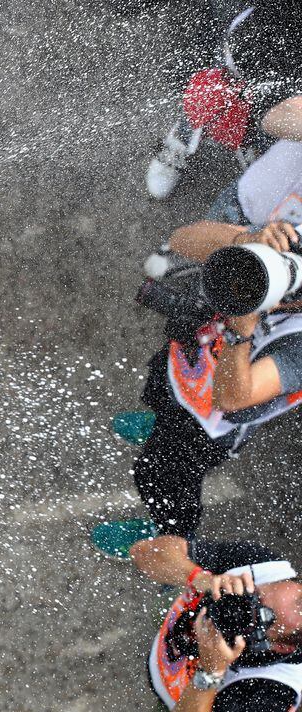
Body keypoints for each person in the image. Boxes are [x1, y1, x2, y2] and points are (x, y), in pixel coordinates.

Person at [95, 138, 302, 557]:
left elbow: (234, 398)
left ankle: (169, 541)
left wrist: (241, 331)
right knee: (159, 383)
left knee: (161, 476)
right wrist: (247, 238)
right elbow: (182, 239)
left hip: (205, 428)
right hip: (184, 359)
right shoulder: (276, 240)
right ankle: (157, 417)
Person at [131, 535, 302, 712]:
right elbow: (141, 552)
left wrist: (210, 672)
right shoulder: (263, 567)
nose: (237, 607)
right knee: (164, 597)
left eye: (256, 618)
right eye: (253, 595)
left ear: (282, 647)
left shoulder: (275, 693)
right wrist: (200, 578)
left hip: (175, 703)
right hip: (171, 625)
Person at [145, 2, 302, 200]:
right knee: (216, 86)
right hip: (258, 34)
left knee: (256, 110)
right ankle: (188, 130)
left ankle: (247, 137)